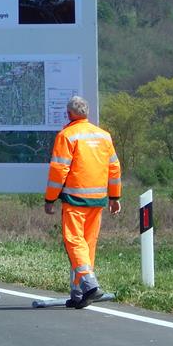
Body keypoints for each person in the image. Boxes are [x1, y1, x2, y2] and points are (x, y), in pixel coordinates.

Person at [44, 96, 121, 309]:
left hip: (75, 199)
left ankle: (89, 283)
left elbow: (59, 170)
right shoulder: (104, 136)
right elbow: (114, 168)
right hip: (98, 200)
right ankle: (79, 293)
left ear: (69, 114)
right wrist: (115, 197)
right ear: (87, 113)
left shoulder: (67, 135)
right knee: (87, 245)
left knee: (74, 241)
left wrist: (50, 198)